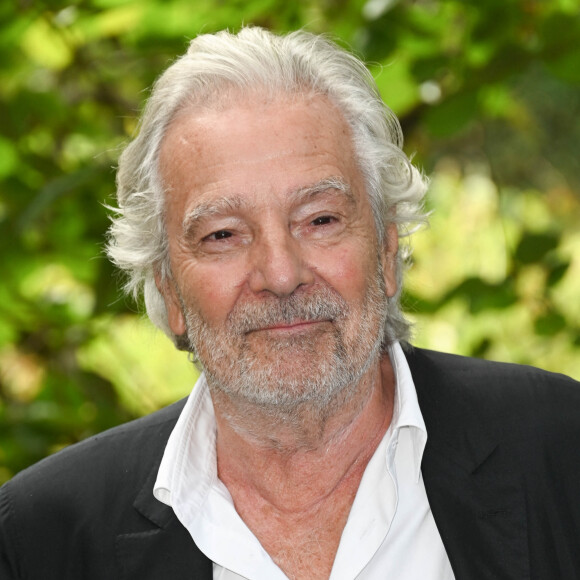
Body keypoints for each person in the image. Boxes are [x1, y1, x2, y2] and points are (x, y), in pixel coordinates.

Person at [0, 27, 579, 580]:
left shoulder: (561, 450)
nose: (280, 274)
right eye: (223, 234)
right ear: (169, 289)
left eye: (320, 220)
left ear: (385, 250)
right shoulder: (41, 538)